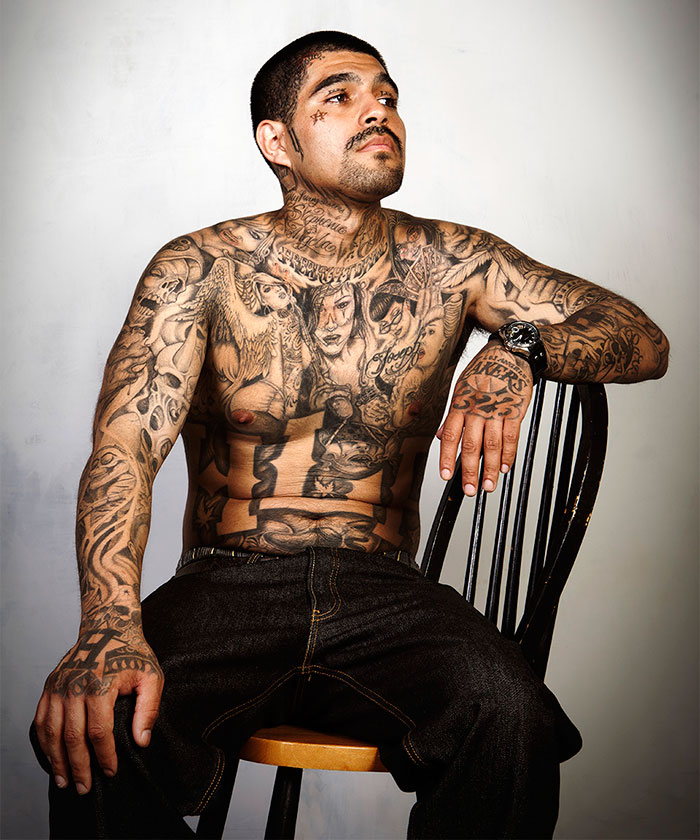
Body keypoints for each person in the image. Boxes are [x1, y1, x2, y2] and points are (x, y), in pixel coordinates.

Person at [30, 30, 669, 839]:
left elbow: (642, 337)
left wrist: (521, 349)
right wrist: (108, 624)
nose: (378, 110)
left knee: (512, 713)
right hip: (229, 585)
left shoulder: (453, 263)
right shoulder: (200, 268)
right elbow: (125, 448)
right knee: (99, 723)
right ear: (278, 141)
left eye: (388, 96)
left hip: (387, 595)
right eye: (339, 96)